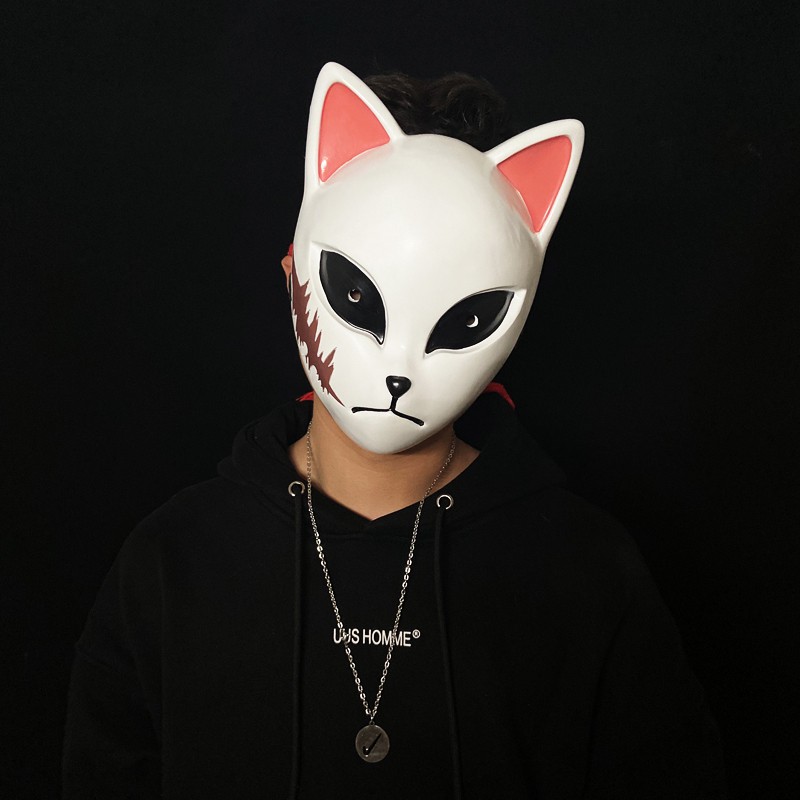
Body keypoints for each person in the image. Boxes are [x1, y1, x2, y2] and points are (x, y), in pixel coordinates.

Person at [62, 63, 725, 799]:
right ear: (292, 271)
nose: (398, 368)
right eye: (356, 293)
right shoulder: (172, 562)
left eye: (463, 317)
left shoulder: (586, 573)